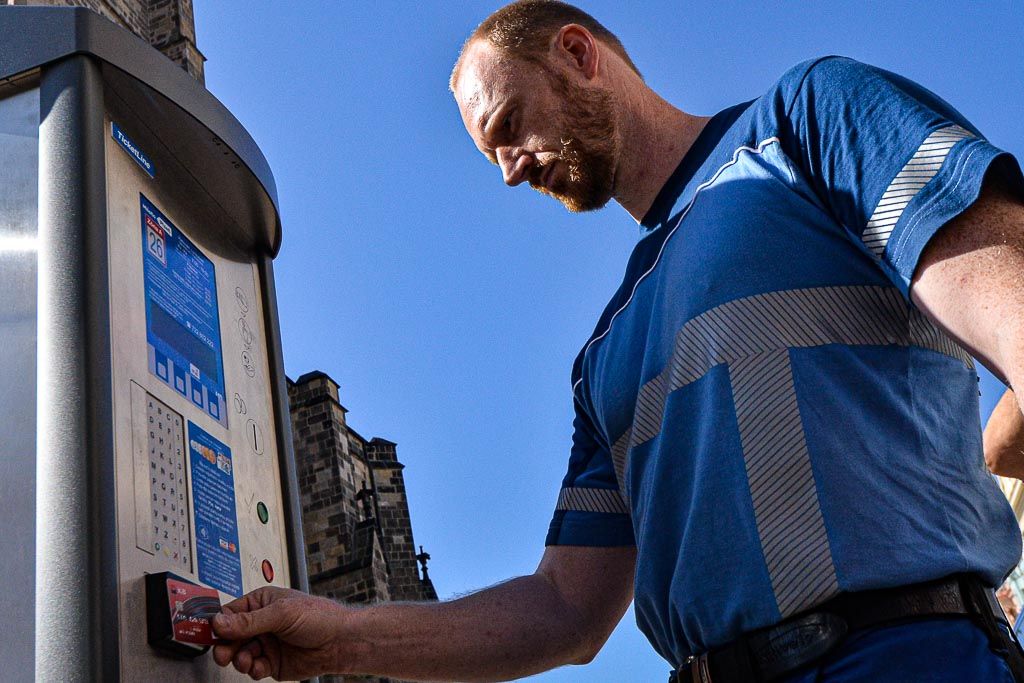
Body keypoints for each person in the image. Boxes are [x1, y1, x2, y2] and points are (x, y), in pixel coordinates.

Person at [212, 2, 1024, 681]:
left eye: (509, 126)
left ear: (576, 54)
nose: (508, 173)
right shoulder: (605, 351)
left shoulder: (807, 120)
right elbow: (565, 609)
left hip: (904, 654)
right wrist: (340, 636)